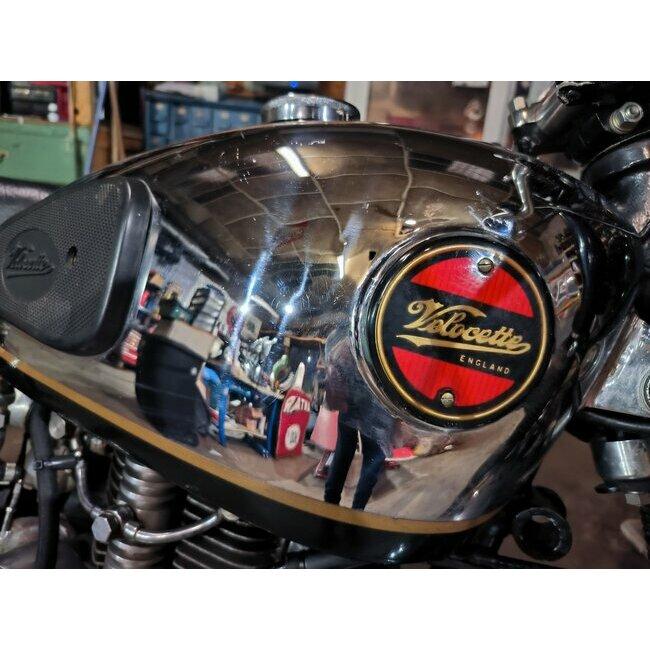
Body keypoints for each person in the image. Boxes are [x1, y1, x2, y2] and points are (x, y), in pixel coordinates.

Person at [322, 327, 395, 510]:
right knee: (372, 459)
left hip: (353, 402)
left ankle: (330, 505)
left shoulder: (348, 337)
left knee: (344, 452)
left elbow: (334, 360)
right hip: (378, 407)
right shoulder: (389, 338)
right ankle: (356, 509)